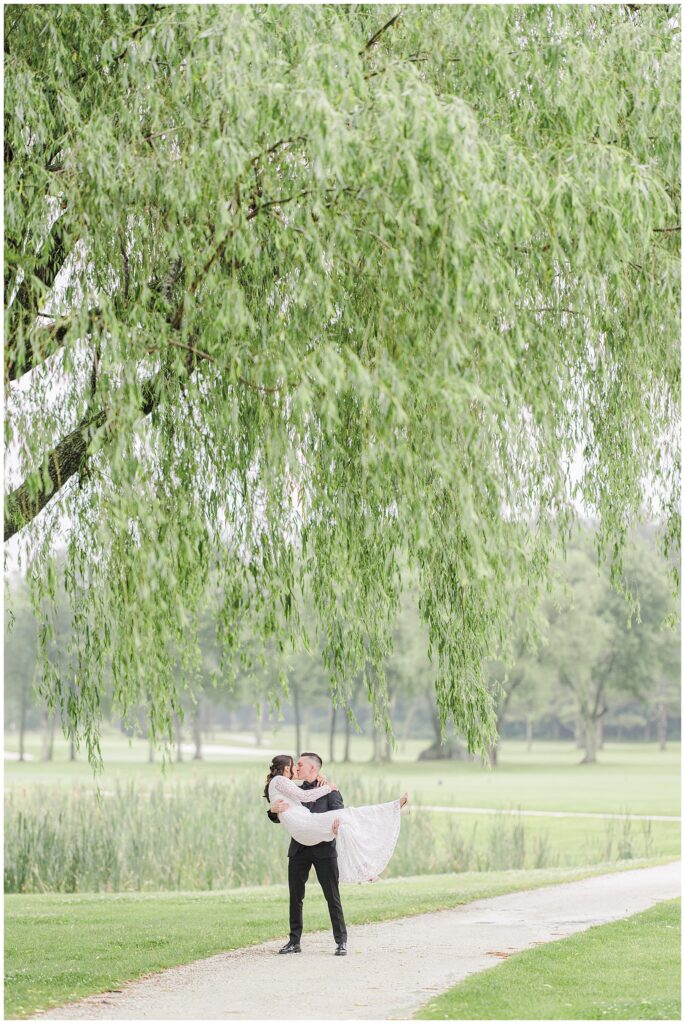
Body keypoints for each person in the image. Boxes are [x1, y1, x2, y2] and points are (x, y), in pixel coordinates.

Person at [266, 751, 409, 955]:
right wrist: (272, 810)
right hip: (300, 848)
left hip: (324, 849)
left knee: (332, 896)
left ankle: (341, 941)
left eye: (300, 765)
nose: (296, 768)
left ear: (313, 768)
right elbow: (281, 812)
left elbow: (340, 816)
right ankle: (294, 941)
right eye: (294, 765)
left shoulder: (330, 790)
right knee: (296, 897)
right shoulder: (293, 788)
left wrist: (335, 829)